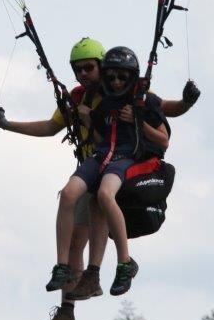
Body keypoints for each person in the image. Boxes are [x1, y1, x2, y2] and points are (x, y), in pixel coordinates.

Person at [0, 39, 200, 320]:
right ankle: (68, 310)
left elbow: (164, 110)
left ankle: (102, 273)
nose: (83, 74)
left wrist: (187, 101)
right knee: (76, 234)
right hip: (94, 166)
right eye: (77, 70)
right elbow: (50, 128)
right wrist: (7, 124)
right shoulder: (79, 99)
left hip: (121, 169)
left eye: (89, 68)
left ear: (103, 66)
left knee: (95, 210)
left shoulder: (127, 91)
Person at [46, 46, 168, 299]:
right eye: (111, 77)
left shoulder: (142, 99)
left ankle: (125, 262)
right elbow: (61, 127)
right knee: (69, 193)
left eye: (121, 77)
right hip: (100, 156)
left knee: (104, 194)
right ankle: (62, 267)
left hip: (124, 158)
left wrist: (139, 118)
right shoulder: (94, 97)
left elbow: (166, 125)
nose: (115, 82)